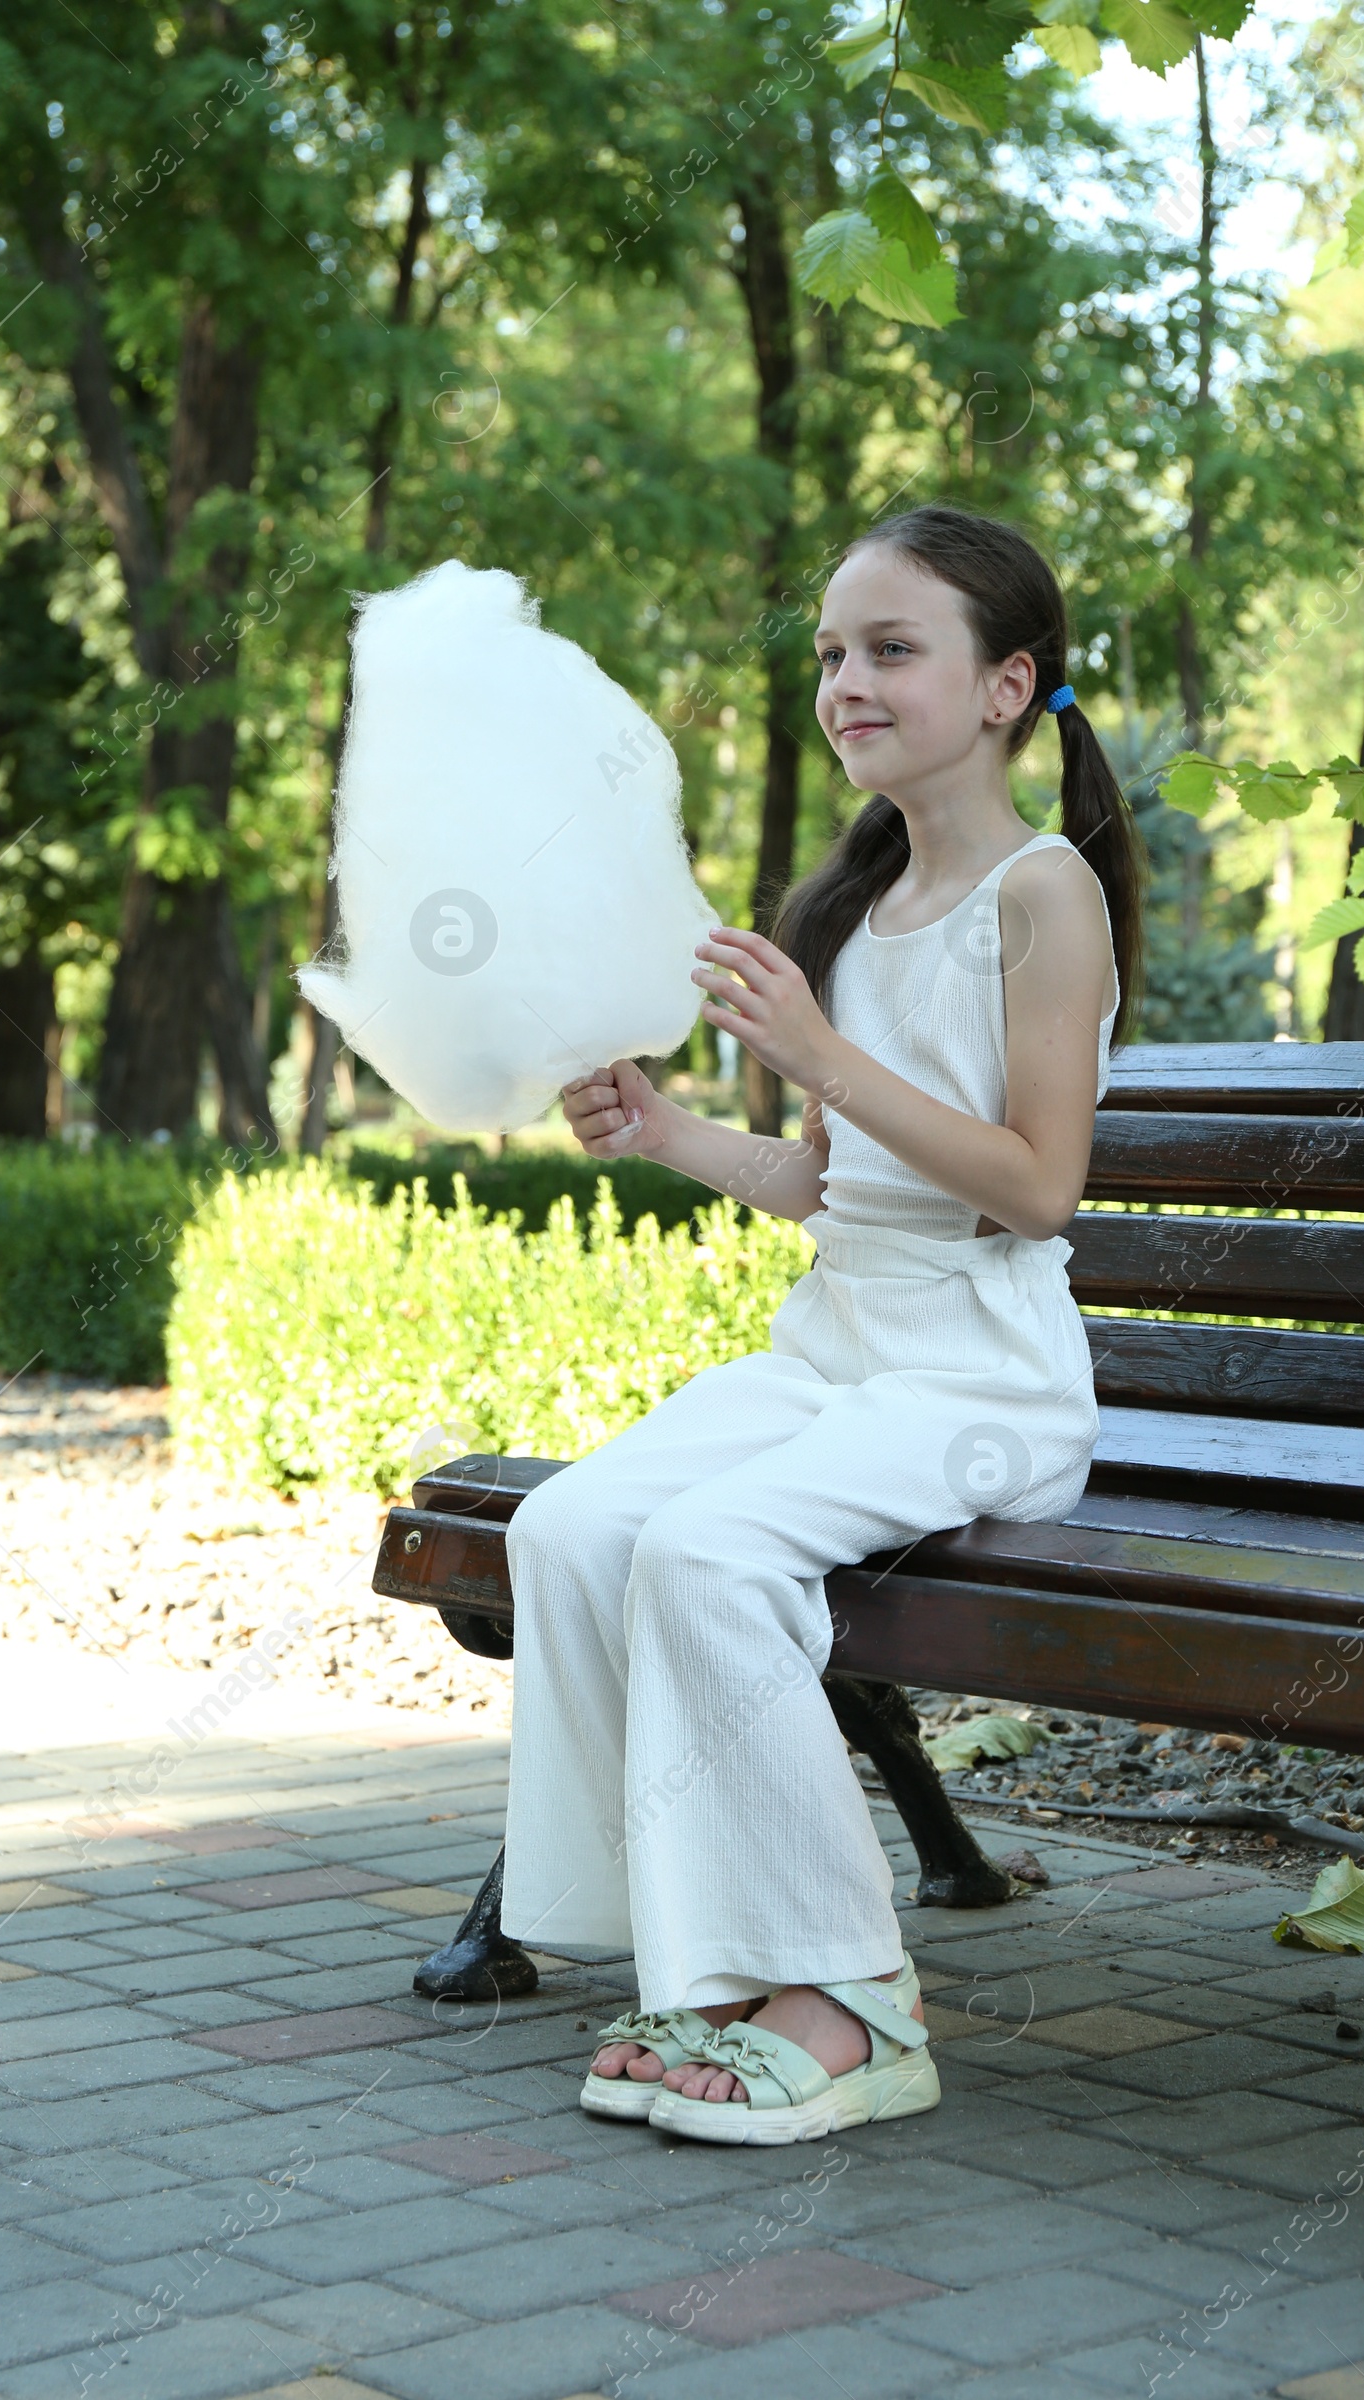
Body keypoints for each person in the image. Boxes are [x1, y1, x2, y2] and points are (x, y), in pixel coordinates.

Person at [498, 504, 1141, 2146]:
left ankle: (853, 1999)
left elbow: (1037, 1188)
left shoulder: (1041, 895)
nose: (846, 681)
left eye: (891, 649)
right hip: (835, 1358)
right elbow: (823, 1184)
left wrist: (823, 1054)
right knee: (575, 1527)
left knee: (708, 1555)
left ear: (1008, 686)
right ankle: (702, 1967)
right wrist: (659, 1130)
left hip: (984, 1380)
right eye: (832, 654)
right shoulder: (844, 907)